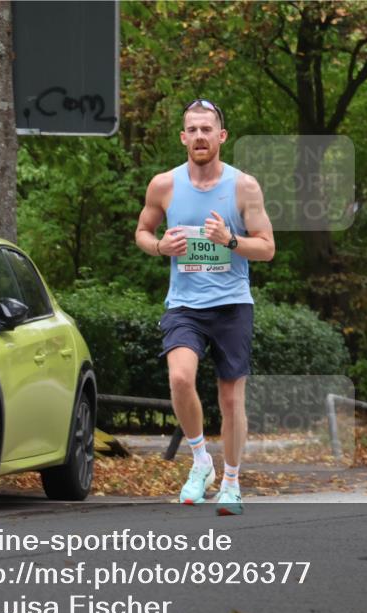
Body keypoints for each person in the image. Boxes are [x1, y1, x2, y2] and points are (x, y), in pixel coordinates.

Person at [135, 99, 275, 515]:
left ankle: (231, 481)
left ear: (221, 136)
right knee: (180, 378)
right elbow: (143, 231)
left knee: (231, 398)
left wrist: (229, 240)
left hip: (232, 304)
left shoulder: (243, 186)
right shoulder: (164, 185)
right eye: (192, 130)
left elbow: (267, 248)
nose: (199, 136)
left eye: (207, 129)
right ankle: (201, 461)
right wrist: (160, 246)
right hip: (184, 304)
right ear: (183, 137)